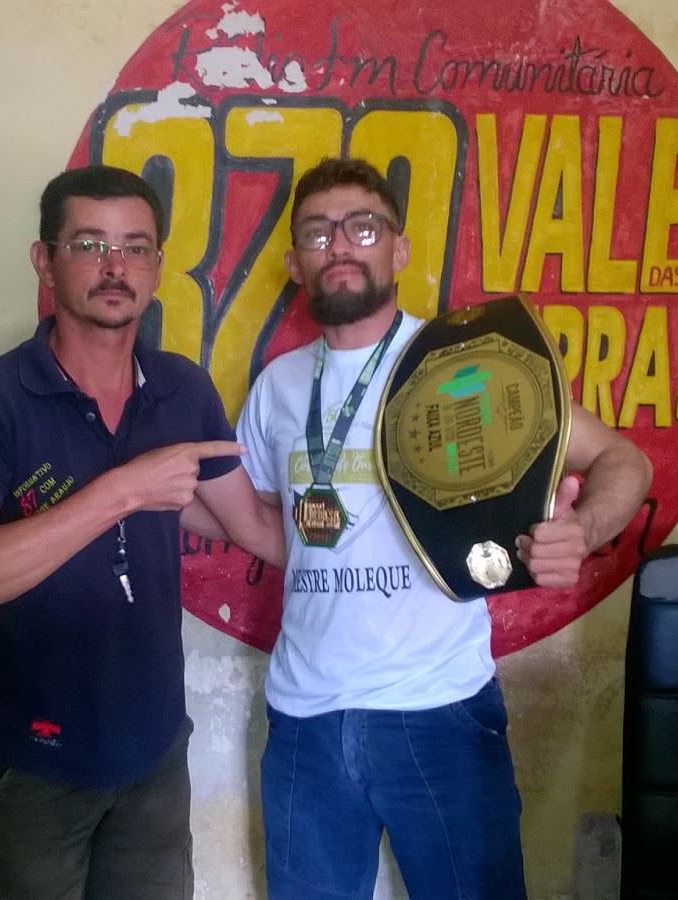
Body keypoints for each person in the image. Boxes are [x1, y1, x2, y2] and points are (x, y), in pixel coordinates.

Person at [236, 158, 654, 899]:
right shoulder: (278, 387)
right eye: (318, 232)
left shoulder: (466, 361)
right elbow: (284, 532)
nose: (341, 244)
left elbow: (626, 461)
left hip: (439, 712)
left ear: (398, 249)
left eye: (363, 227)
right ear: (296, 261)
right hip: (305, 718)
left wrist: (584, 529)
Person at [0, 165, 284, 900]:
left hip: (154, 754)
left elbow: (255, 527)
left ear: (157, 267)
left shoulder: (182, 389)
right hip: (33, 763)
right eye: (89, 244)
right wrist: (125, 490)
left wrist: (397, 526)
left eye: (135, 247)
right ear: (44, 261)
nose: (114, 266)